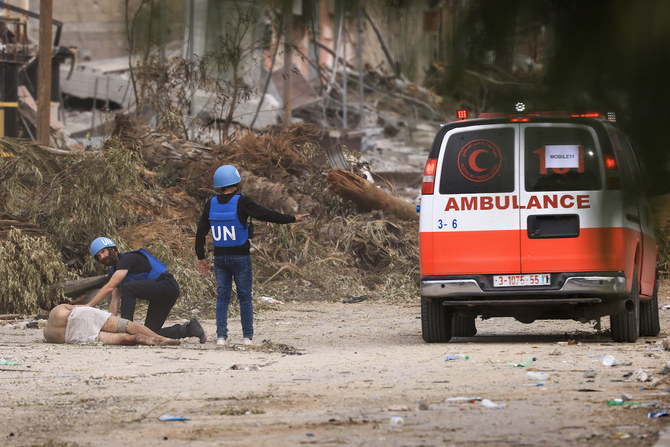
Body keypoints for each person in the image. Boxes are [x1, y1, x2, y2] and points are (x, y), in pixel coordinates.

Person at [195, 165, 309, 347]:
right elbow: (266, 214)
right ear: (236, 183)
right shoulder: (242, 202)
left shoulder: (211, 203)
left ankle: (221, 337)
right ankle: (247, 337)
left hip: (220, 259)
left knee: (222, 297)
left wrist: (201, 257)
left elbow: (201, 231)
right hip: (240, 257)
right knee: (245, 297)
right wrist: (291, 218)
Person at [86, 237, 207, 343]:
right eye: (98, 256)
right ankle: (189, 329)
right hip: (158, 293)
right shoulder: (115, 272)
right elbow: (115, 300)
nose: (102, 257)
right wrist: (112, 327)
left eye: (103, 252)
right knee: (149, 333)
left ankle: (127, 328)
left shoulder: (127, 259)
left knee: (128, 287)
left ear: (112, 249)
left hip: (167, 286)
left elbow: (109, 287)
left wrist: (87, 306)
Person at [43, 304, 180, 346]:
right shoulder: (57, 311)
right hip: (76, 315)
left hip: (69, 336)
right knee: (127, 325)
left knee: (120, 338)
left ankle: (138, 339)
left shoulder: (48, 335)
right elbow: (75, 307)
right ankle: (160, 338)